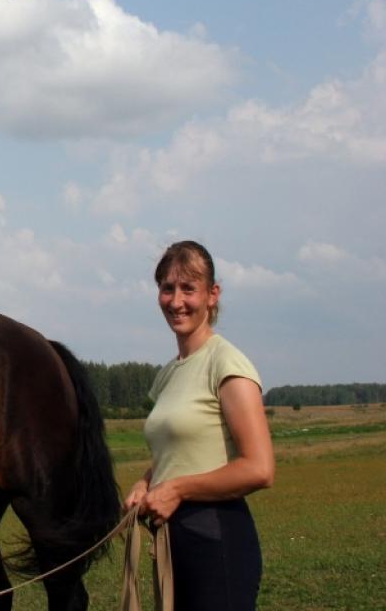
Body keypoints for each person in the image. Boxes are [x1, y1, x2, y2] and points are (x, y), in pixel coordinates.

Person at [124, 241, 275, 610]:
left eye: (188, 288)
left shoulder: (226, 364)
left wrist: (176, 489)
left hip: (217, 542)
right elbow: (175, 452)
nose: (176, 301)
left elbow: (259, 468)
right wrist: (147, 481)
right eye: (167, 288)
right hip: (176, 544)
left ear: (212, 294)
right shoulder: (167, 374)